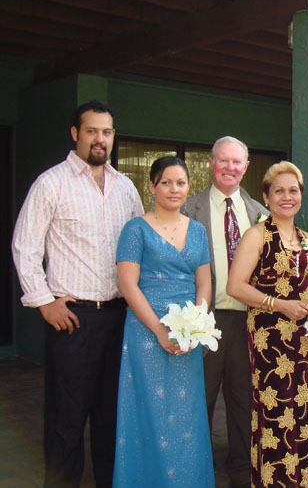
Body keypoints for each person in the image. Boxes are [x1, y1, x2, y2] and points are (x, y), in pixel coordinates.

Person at [12, 100, 143, 488]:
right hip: (73, 318)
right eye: (91, 131)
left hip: (119, 316)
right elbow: (24, 247)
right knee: (67, 417)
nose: (99, 139)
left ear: (113, 136)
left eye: (106, 132)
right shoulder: (51, 183)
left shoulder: (126, 188)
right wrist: (43, 300)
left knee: (111, 417)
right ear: (75, 134)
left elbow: (138, 246)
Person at [112, 156, 214, 487]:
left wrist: (196, 324)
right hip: (146, 331)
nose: (174, 189)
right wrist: (158, 329)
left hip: (188, 335)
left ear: (188, 188)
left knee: (187, 416)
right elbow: (127, 284)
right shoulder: (135, 228)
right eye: (166, 182)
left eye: (180, 183)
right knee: (150, 409)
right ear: (152, 186)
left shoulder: (197, 230)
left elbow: (205, 283)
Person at [227, 161, 308, 488]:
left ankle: (302, 480)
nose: (287, 197)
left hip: (303, 339)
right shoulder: (257, 235)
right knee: (274, 411)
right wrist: (280, 305)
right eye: (278, 191)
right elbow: (235, 286)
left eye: (293, 191)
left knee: (301, 409)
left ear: (301, 196)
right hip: (269, 338)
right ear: (266, 196)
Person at [183, 136, 267, 488]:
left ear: (246, 167)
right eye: (223, 161)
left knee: (243, 403)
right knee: (197, 400)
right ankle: (192, 472)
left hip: (247, 322)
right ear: (210, 163)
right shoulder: (189, 210)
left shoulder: (260, 215)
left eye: (237, 162)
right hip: (205, 319)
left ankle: (240, 473)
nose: (230, 167)